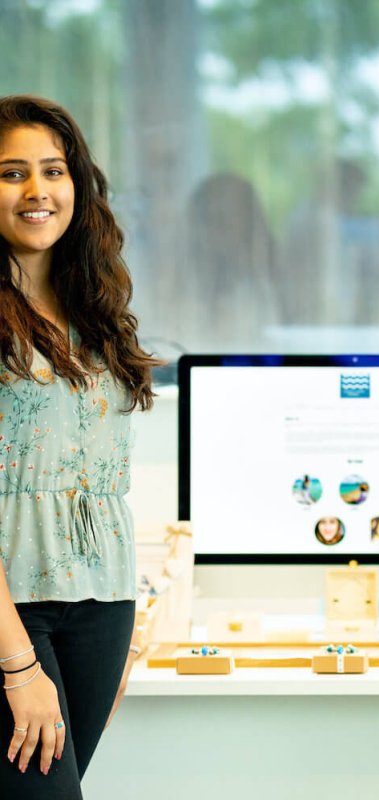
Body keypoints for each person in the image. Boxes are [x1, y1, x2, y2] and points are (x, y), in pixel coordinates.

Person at [0, 95, 159, 797]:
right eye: (11, 173)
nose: (38, 191)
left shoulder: (96, 313)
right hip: (13, 612)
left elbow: (104, 480)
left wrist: (128, 623)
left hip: (102, 608)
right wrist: (18, 665)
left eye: (53, 170)